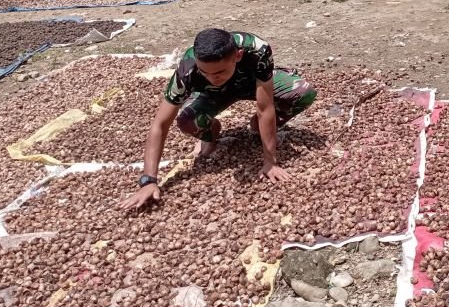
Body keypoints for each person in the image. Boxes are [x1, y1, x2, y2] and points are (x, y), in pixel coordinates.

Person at [117, 28, 317, 211]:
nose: (213, 77)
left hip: (251, 83)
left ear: (237, 56)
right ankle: (211, 132)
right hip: (213, 95)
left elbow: (265, 108)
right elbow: (160, 124)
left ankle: (258, 128)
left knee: (304, 92)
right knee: (187, 121)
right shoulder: (187, 67)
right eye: (205, 72)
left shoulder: (258, 50)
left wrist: (270, 161)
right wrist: (148, 180)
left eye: (219, 71)